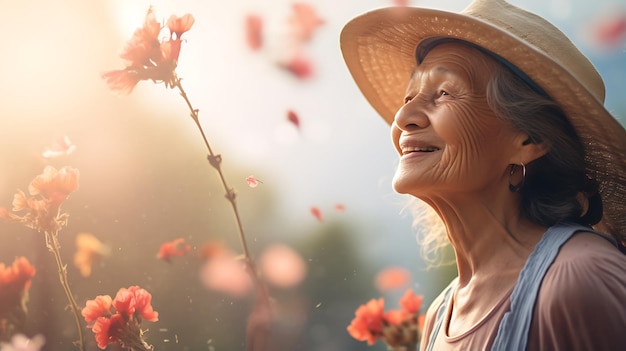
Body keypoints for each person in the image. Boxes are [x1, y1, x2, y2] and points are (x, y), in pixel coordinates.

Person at [340, 0, 626, 350]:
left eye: (444, 93)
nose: (403, 118)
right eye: (408, 96)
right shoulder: (439, 315)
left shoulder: (580, 281)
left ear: (529, 139)